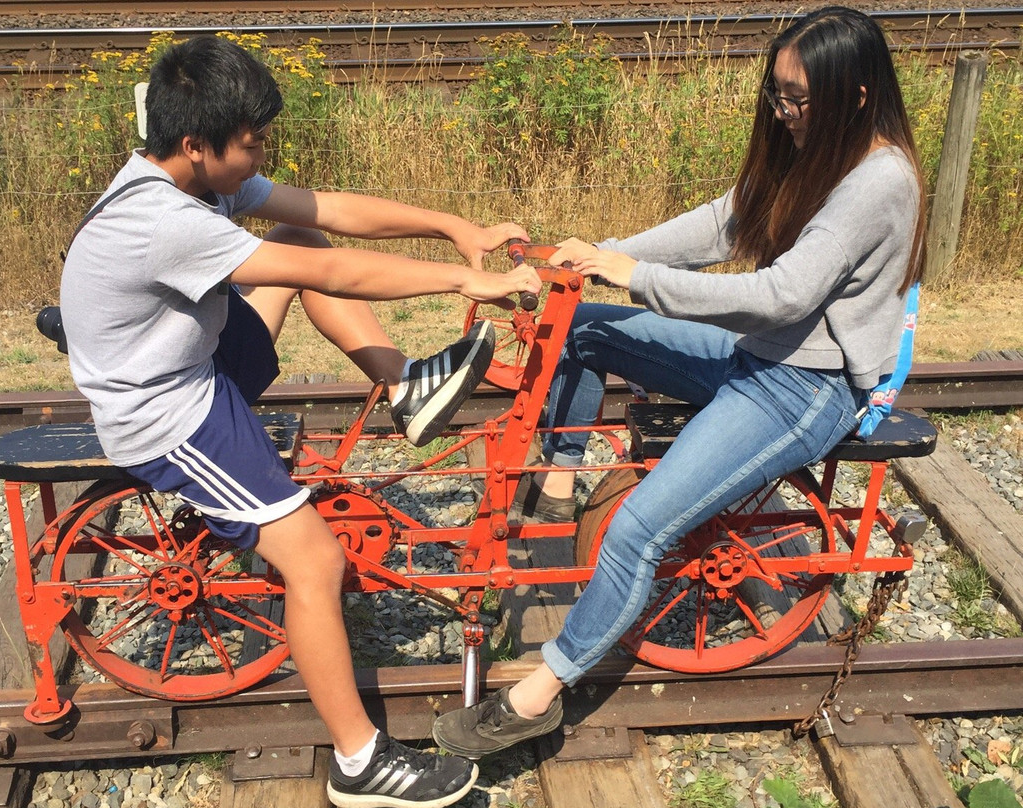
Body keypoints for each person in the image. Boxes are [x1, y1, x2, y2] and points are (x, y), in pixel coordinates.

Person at [59, 34, 541, 808]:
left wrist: (456, 226)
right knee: (316, 562)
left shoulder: (191, 176)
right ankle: (360, 763)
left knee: (294, 230)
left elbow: (324, 214)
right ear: (195, 145)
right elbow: (330, 273)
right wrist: (465, 279)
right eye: (251, 144)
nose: (259, 157)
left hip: (194, 351)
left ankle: (401, 385)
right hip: (171, 413)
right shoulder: (163, 222)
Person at [432, 5, 926, 758]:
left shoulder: (879, 180)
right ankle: (559, 489)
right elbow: (726, 223)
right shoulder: (814, 150)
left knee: (639, 529)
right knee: (582, 323)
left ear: (856, 95)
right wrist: (601, 256)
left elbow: (782, 295)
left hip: (805, 389)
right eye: (778, 94)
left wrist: (641, 278)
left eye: (800, 99)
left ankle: (539, 694)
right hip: (756, 355)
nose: (785, 112)